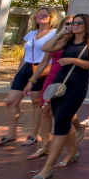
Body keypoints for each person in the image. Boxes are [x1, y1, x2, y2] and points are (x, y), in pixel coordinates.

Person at [29, 14, 89, 179]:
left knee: (61, 121)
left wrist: (73, 60)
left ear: (86, 25)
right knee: (61, 119)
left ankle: (47, 168)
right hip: (59, 84)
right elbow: (46, 48)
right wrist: (61, 33)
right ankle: (73, 151)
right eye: (72, 23)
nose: (74, 25)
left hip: (77, 85)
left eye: (78, 23)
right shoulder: (67, 39)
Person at [0, 7, 58, 148]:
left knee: (36, 102)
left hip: (43, 69)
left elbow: (51, 54)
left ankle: (33, 134)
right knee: (10, 101)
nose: (41, 17)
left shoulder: (54, 33)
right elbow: (24, 55)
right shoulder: (31, 34)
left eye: (45, 15)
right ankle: (11, 133)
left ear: (51, 17)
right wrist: (17, 73)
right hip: (26, 67)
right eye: (38, 15)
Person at [24, 16, 72, 159]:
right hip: (51, 78)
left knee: (62, 114)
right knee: (45, 111)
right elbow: (44, 60)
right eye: (67, 24)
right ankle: (45, 145)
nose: (71, 26)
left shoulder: (77, 42)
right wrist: (31, 81)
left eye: (74, 23)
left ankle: (72, 143)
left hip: (66, 79)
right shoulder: (57, 39)